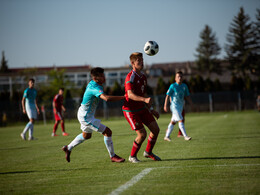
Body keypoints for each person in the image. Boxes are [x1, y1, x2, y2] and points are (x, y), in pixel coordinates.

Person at [62, 67, 125, 163]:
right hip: (86, 117)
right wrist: (123, 97)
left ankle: (68, 147)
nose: (104, 78)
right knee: (108, 132)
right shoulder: (94, 87)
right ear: (95, 78)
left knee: (86, 136)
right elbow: (106, 98)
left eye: (104, 75)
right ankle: (113, 156)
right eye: (102, 76)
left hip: (83, 113)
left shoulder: (94, 83)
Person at [123, 52, 161, 163]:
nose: (142, 62)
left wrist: (151, 109)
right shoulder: (130, 77)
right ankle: (132, 156)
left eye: (142, 60)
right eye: (139, 61)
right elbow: (130, 94)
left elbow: (144, 95)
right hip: (131, 111)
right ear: (132, 63)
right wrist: (144, 100)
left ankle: (148, 152)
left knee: (156, 129)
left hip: (141, 108)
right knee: (142, 134)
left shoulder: (143, 76)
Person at [163, 71, 192, 141]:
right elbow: (167, 95)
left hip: (181, 106)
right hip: (174, 106)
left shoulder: (184, 86)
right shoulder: (173, 86)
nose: (179, 78)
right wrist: (165, 105)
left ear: (183, 78)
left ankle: (167, 136)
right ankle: (185, 136)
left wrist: (191, 103)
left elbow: (187, 96)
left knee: (173, 121)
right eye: (178, 77)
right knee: (181, 119)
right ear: (175, 78)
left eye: (181, 76)